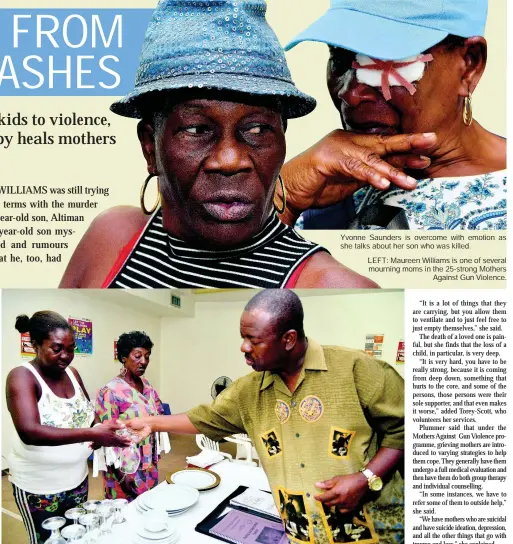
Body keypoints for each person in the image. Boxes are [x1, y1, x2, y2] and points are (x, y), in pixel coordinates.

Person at [58, 0, 441, 289]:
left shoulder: (333, 287)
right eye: (196, 130)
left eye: (257, 130)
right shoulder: (111, 236)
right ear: (149, 146)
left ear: (283, 139)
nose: (229, 160)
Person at [125, 289, 405, 544]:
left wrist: (366, 477)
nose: (244, 347)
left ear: (289, 339)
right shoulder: (248, 391)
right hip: (301, 532)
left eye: (253, 340)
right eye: (242, 338)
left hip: (374, 529)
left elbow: (406, 428)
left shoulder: (357, 370)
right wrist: (149, 422)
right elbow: (207, 417)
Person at [280, 0, 506, 230]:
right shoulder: (317, 189)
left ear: (469, 65)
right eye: (339, 59)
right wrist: (283, 197)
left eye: (386, 61)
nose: (350, 94)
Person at [5, 311, 131, 544]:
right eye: (57, 349)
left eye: (71, 348)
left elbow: (87, 414)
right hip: (39, 487)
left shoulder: (72, 374)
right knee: (47, 541)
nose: (66, 356)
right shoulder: (22, 377)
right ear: (35, 345)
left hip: (77, 480)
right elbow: (29, 431)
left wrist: (107, 430)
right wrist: (92, 433)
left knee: (77, 537)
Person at [95, 331, 169, 502]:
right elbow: (106, 440)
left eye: (147, 356)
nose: (144, 361)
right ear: (123, 357)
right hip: (124, 469)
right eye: (137, 356)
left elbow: (158, 415)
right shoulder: (111, 391)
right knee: (124, 516)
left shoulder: (148, 387)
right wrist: (121, 478)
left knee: (147, 509)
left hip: (148, 465)